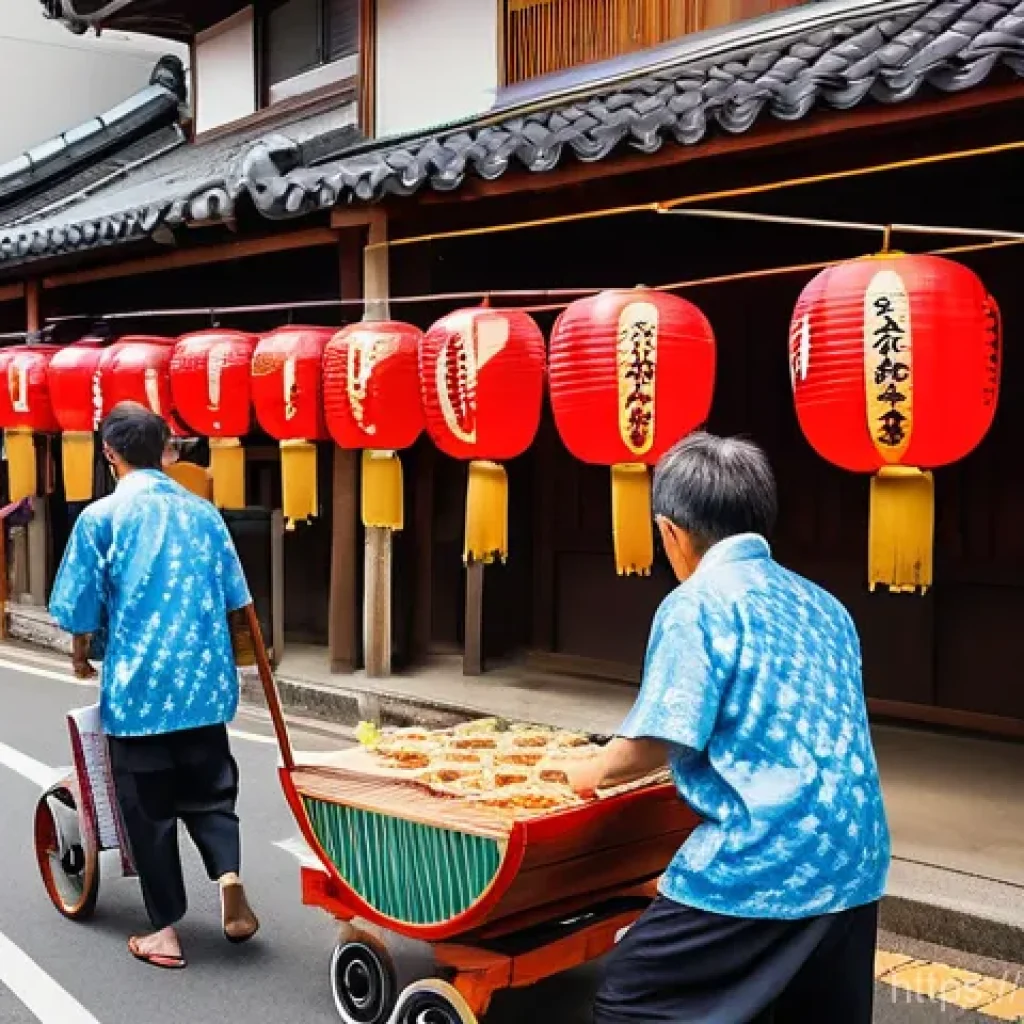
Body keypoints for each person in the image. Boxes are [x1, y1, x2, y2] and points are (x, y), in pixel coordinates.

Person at [564, 432, 890, 1024]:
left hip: (767, 854)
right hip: (858, 857)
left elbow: (656, 741)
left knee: (630, 996)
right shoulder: (826, 606)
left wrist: (580, 771)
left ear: (670, 531)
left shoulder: (697, 602)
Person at [49, 401, 259, 971]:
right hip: (204, 686)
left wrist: (80, 657)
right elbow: (239, 602)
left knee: (150, 810)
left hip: (140, 691)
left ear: (109, 453)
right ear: (166, 449)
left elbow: (78, 608)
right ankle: (229, 876)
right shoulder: (204, 514)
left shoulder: (101, 519)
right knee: (213, 791)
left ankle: (164, 931)